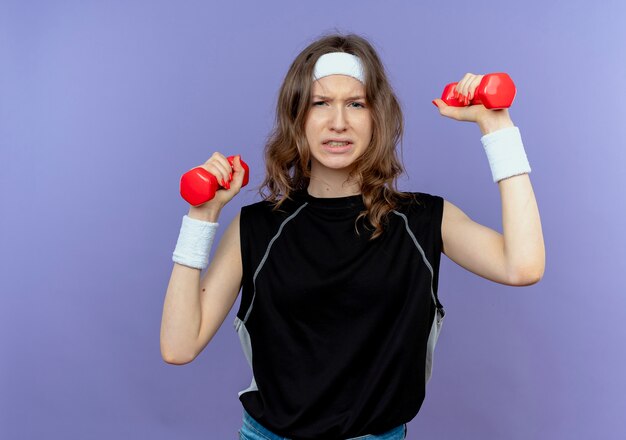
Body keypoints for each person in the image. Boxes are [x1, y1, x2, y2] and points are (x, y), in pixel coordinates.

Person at [161, 33, 545, 440]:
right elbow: (178, 346)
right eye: (320, 103)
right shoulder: (257, 228)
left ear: (377, 116)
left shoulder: (423, 220)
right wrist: (201, 217)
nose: (338, 122)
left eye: (356, 104)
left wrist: (497, 126)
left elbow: (522, 266)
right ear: (297, 118)